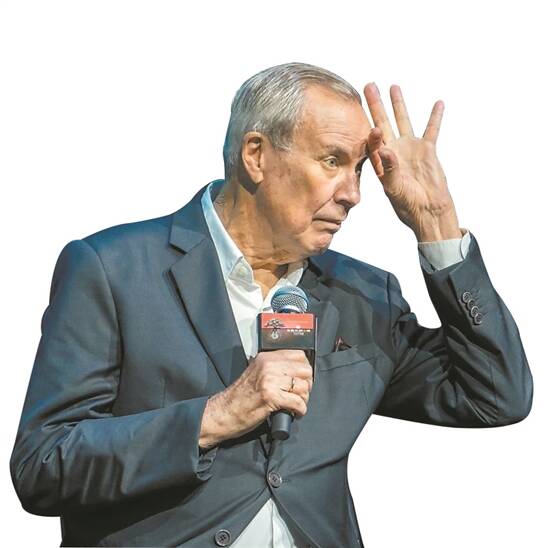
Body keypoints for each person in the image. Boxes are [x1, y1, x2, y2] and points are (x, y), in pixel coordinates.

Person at [10, 62, 533, 548]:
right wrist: (213, 417)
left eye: (359, 170)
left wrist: (436, 221)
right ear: (256, 155)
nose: (353, 193)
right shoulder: (113, 269)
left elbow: (494, 395)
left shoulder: (365, 295)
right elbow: (43, 465)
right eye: (333, 161)